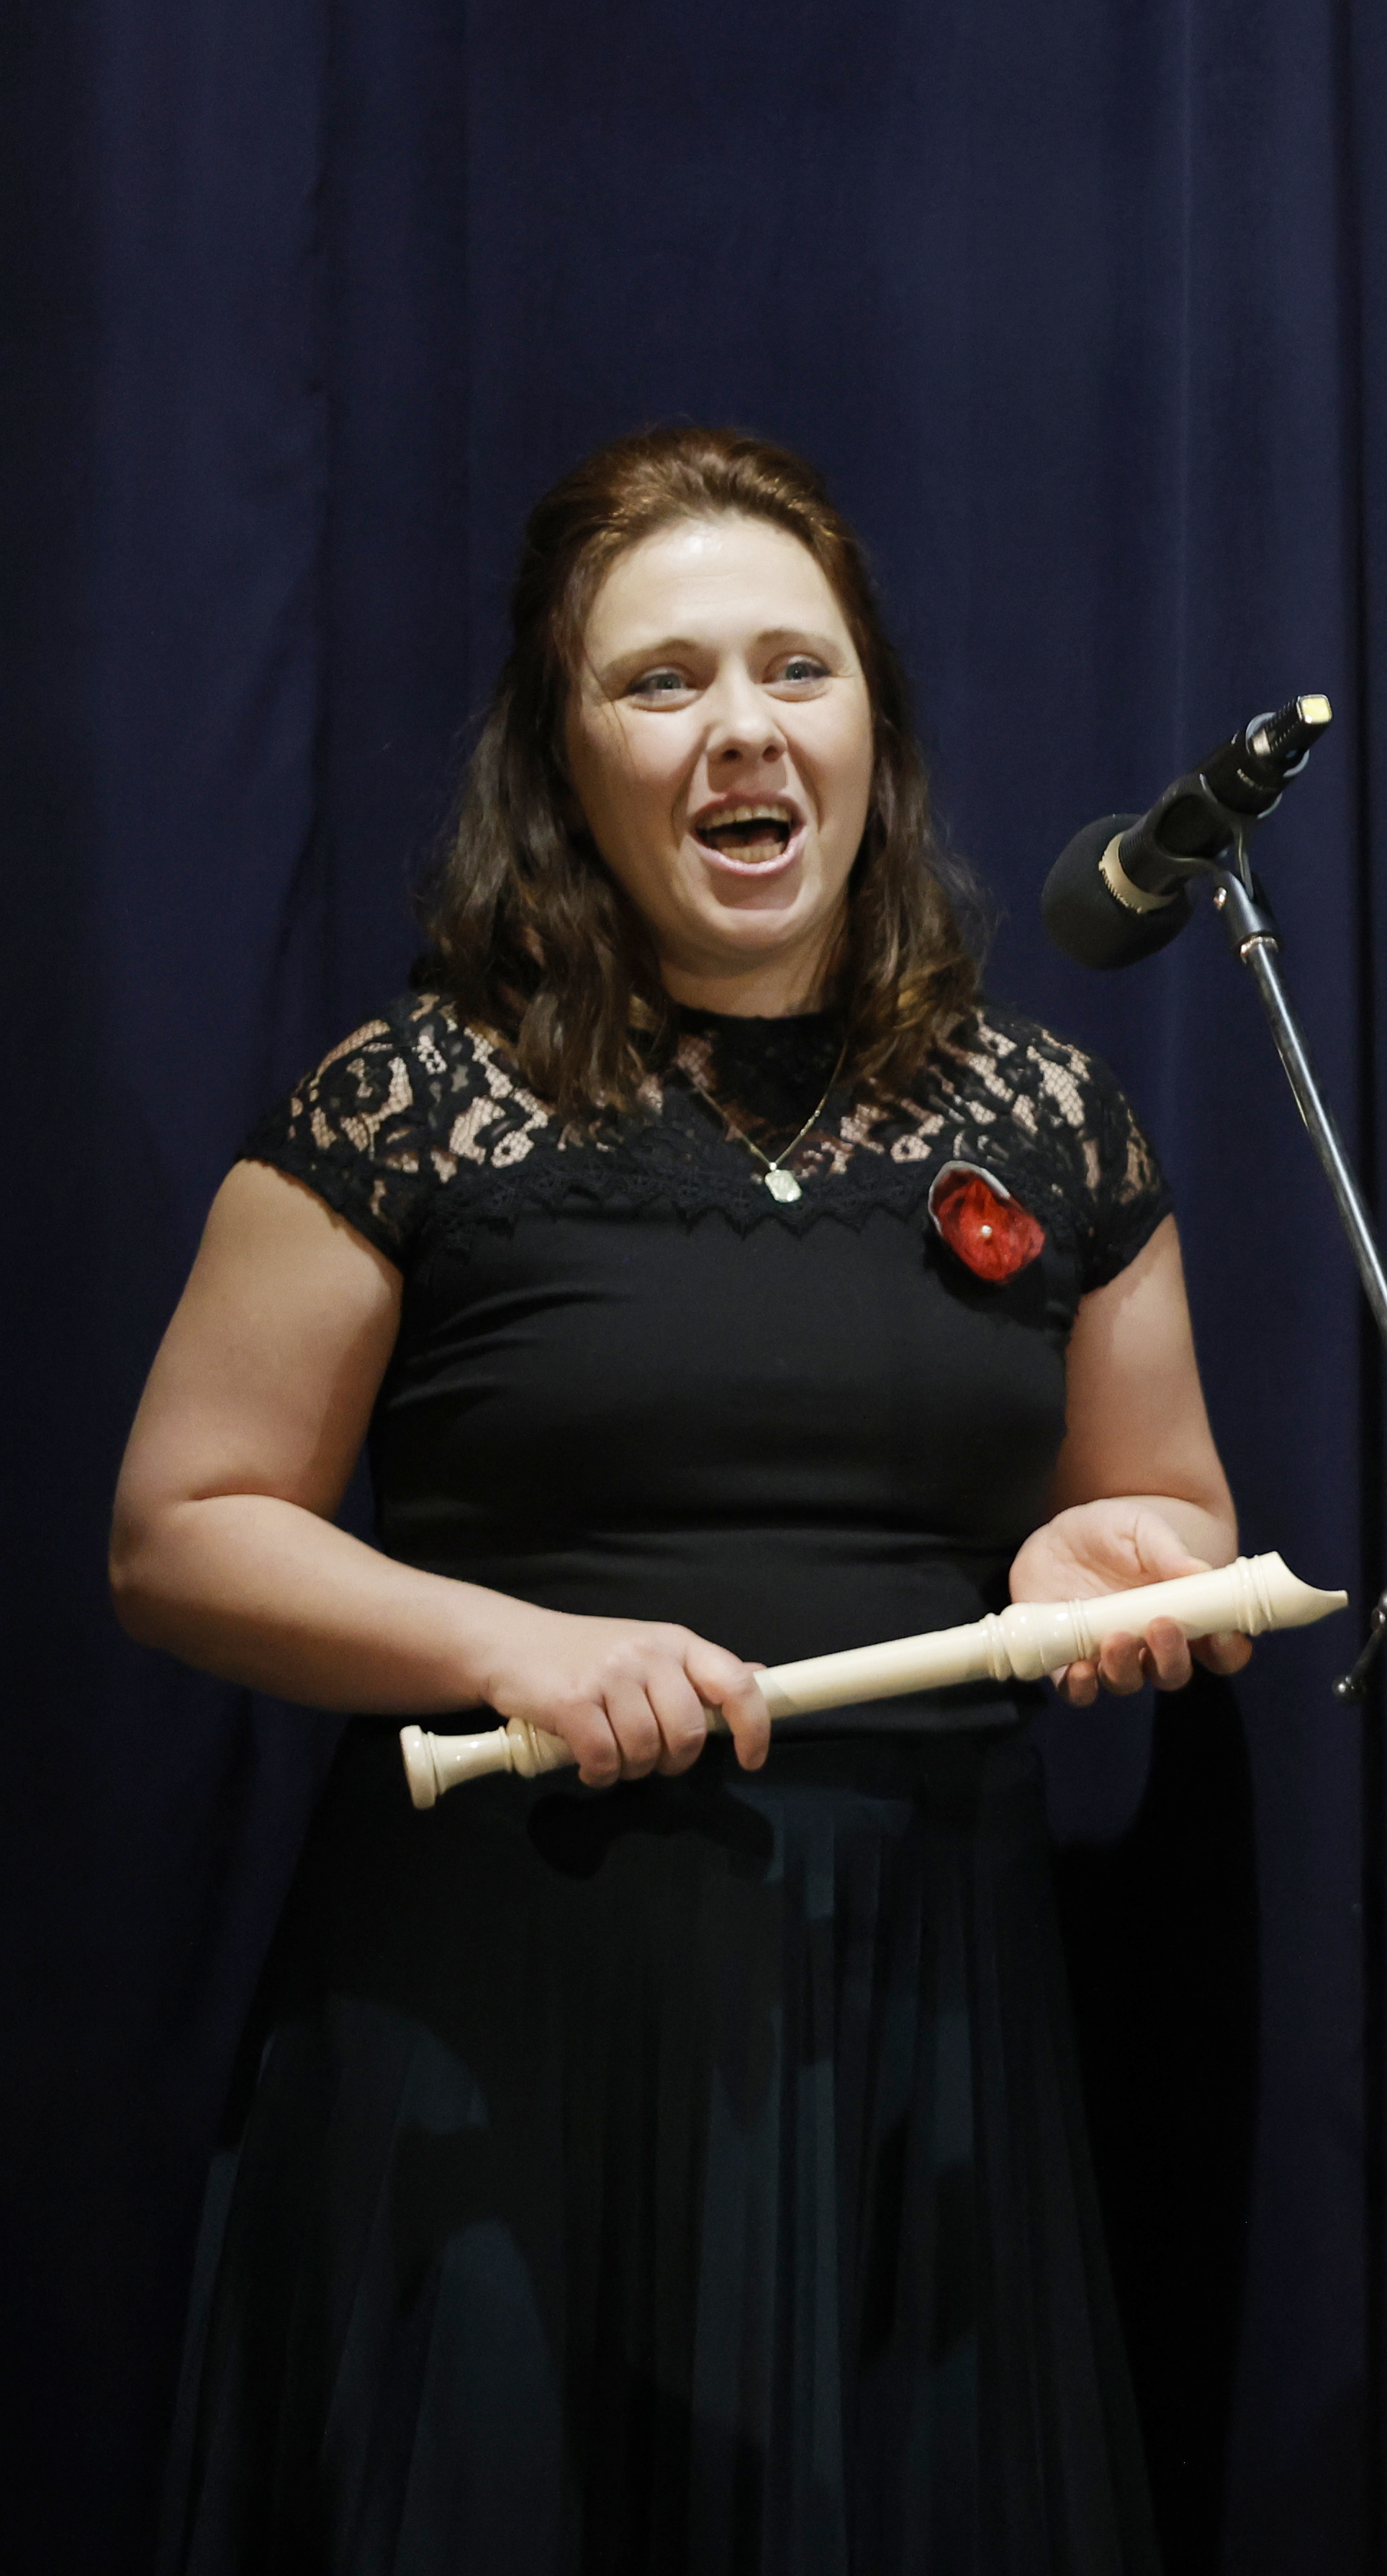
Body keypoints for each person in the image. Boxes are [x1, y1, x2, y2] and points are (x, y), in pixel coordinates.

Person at [112, 424, 1245, 2571]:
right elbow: (180, 1529)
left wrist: (1110, 1559)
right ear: (565, 760)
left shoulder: (1051, 1118)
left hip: (917, 2026)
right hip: (509, 2014)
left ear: (873, 727)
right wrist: (514, 1646)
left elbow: (1166, 1508)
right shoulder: (413, 1100)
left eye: (798, 670)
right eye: (662, 681)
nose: (744, 726)